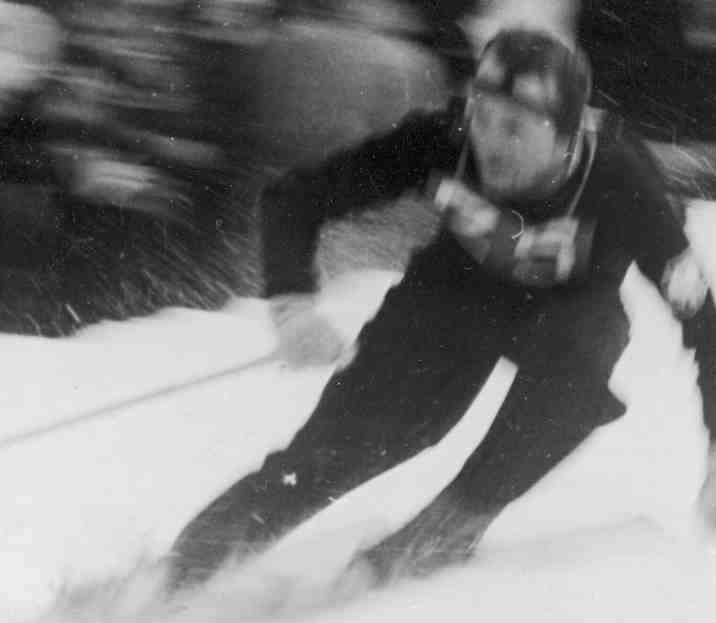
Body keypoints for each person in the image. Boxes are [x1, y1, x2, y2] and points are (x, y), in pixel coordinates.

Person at [166, 28, 716, 590]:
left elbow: (703, 320)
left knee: (582, 367)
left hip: (566, 312)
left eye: (515, 128)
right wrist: (292, 305)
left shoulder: (621, 180)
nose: (490, 143)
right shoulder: (444, 139)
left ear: (565, 136)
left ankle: (447, 527)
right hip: (451, 299)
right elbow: (296, 198)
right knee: (344, 452)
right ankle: (183, 572)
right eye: (482, 116)